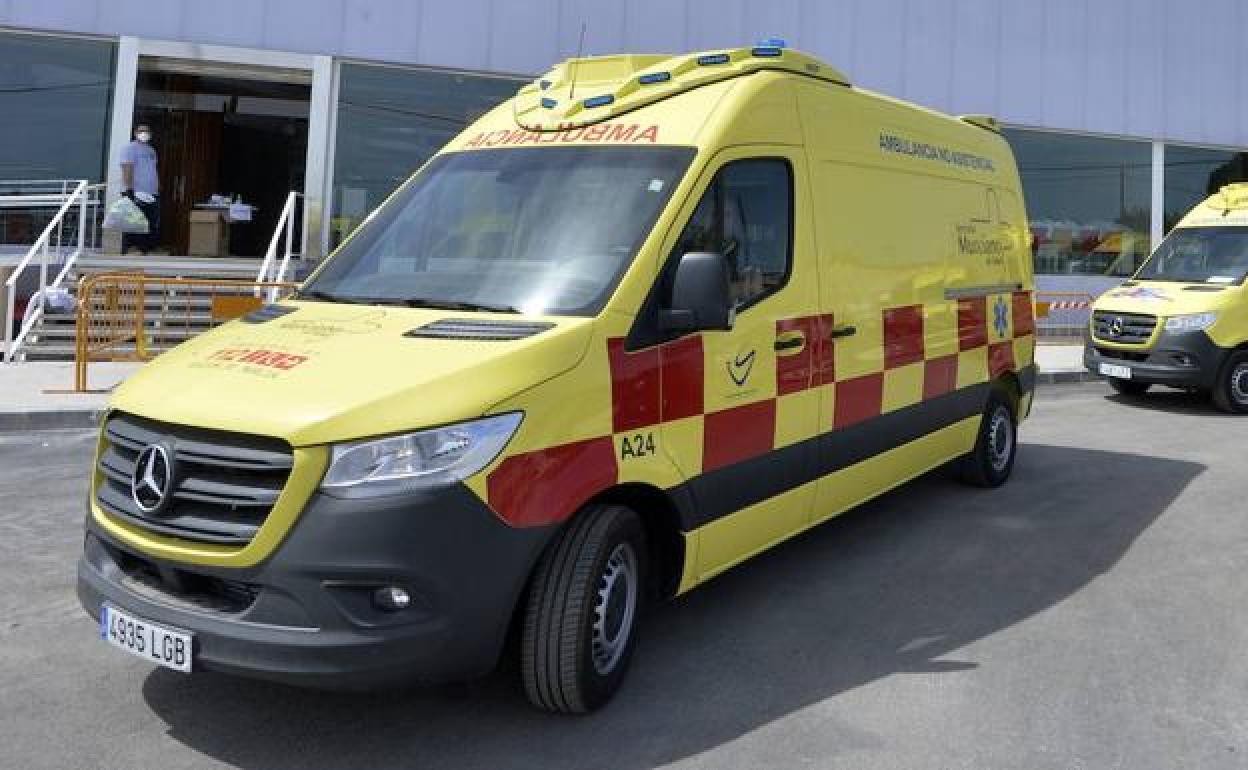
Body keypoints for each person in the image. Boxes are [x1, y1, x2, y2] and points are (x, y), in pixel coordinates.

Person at [119, 123, 160, 254]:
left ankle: (145, 249)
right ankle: (132, 248)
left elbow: (153, 169)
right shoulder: (130, 148)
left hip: (151, 192)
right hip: (136, 191)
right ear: (135, 133)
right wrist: (129, 189)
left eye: (147, 131)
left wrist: (158, 187)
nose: (144, 133)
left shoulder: (151, 150)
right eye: (141, 131)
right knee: (134, 222)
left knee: (150, 222)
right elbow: (127, 167)